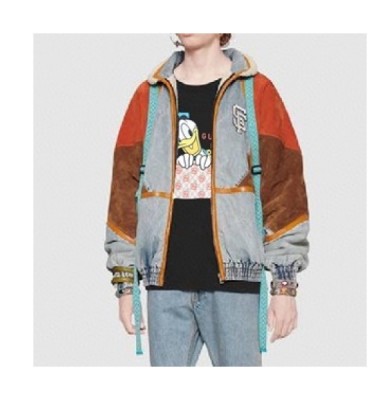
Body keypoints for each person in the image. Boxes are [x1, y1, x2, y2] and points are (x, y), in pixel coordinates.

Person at [104, 33, 310, 366]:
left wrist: (284, 285)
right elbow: (123, 194)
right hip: (165, 284)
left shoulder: (256, 91)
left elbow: (285, 188)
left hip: (236, 279)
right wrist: (125, 283)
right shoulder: (150, 96)